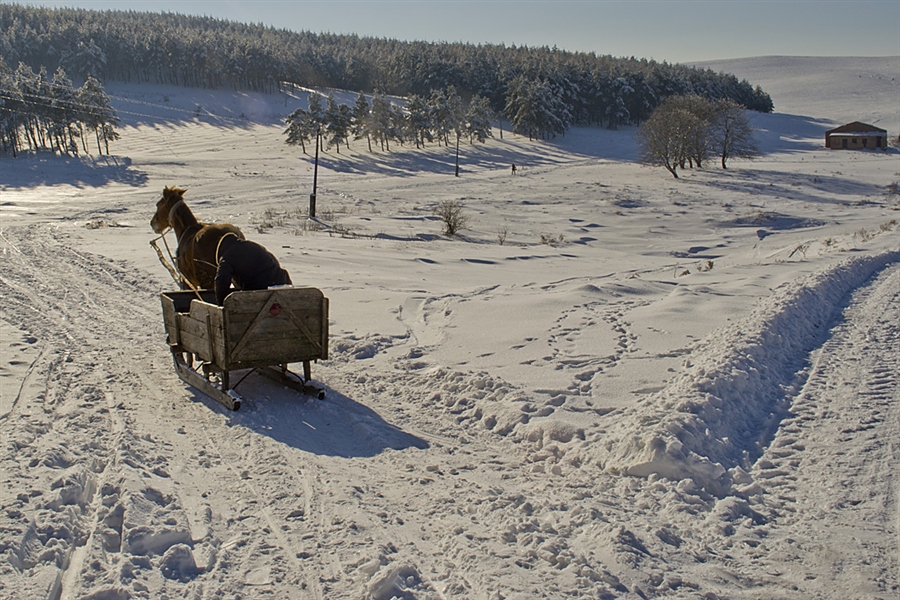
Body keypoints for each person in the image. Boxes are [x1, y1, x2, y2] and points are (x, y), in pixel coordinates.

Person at [214, 233, 292, 305]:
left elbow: (221, 281)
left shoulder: (227, 257)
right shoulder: (254, 245)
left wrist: (221, 304)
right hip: (283, 283)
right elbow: (274, 261)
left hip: (259, 289)